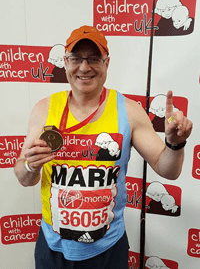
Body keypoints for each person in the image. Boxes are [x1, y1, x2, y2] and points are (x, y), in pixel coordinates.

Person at [14, 25, 193, 269]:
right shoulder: (45, 109)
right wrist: (30, 165)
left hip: (108, 248)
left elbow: (168, 170)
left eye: (94, 59)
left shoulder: (128, 111)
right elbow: (24, 177)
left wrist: (175, 144)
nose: (84, 67)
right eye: (76, 58)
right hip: (54, 246)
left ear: (106, 63)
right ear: (65, 62)